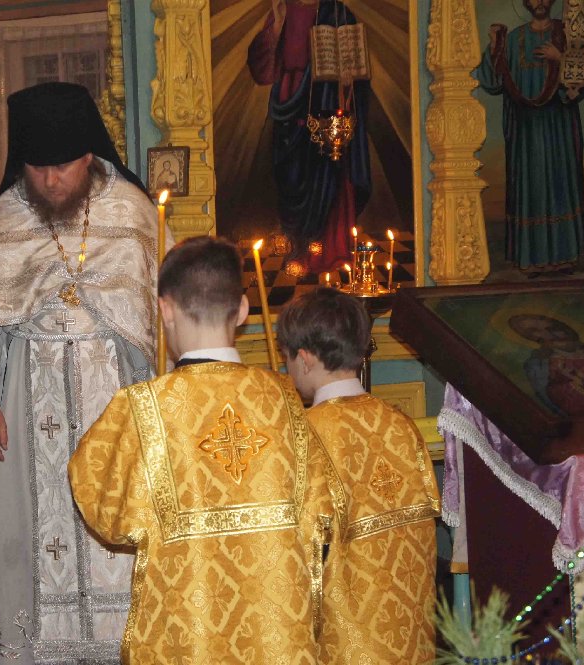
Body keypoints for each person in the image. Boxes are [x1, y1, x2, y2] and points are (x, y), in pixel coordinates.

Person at [0, 81, 159, 663]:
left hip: (111, 398)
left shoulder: (131, 211)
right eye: (38, 169)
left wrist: (151, 408)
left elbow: (150, 323)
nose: (51, 181)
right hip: (26, 405)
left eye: (63, 167)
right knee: (27, 529)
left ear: (88, 156)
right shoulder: (10, 213)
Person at [69, 237, 331, 664]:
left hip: (184, 640)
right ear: (242, 311)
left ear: (165, 310)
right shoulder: (285, 400)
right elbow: (324, 509)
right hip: (276, 638)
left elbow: (102, 508)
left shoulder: (141, 407)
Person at [277, 287, 441, 664]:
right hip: (412, 638)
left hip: (345, 645)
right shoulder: (400, 425)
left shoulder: (304, 435)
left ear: (304, 359)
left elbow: (296, 554)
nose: (288, 370)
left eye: (288, 359)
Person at [247, 0, 371, 273]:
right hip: (289, 106)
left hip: (326, 105)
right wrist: (277, 26)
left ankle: (322, 247)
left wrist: (348, 80)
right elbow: (263, 70)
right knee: (290, 177)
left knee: (325, 176)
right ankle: (295, 244)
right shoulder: (283, 10)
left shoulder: (339, 13)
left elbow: (356, 68)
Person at [475, 0, 584, 274]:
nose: (539, 2)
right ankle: (531, 259)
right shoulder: (513, 39)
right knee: (531, 186)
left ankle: (564, 257)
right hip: (525, 134)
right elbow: (491, 82)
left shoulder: (566, 34)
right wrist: (494, 46)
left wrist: (561, 59)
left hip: (558, 129)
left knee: (559, 185)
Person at [509, 313, 584, 417]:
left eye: (546, 324)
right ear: (532, 337)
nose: (548, 331)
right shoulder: (545, 364)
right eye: (535, 330)